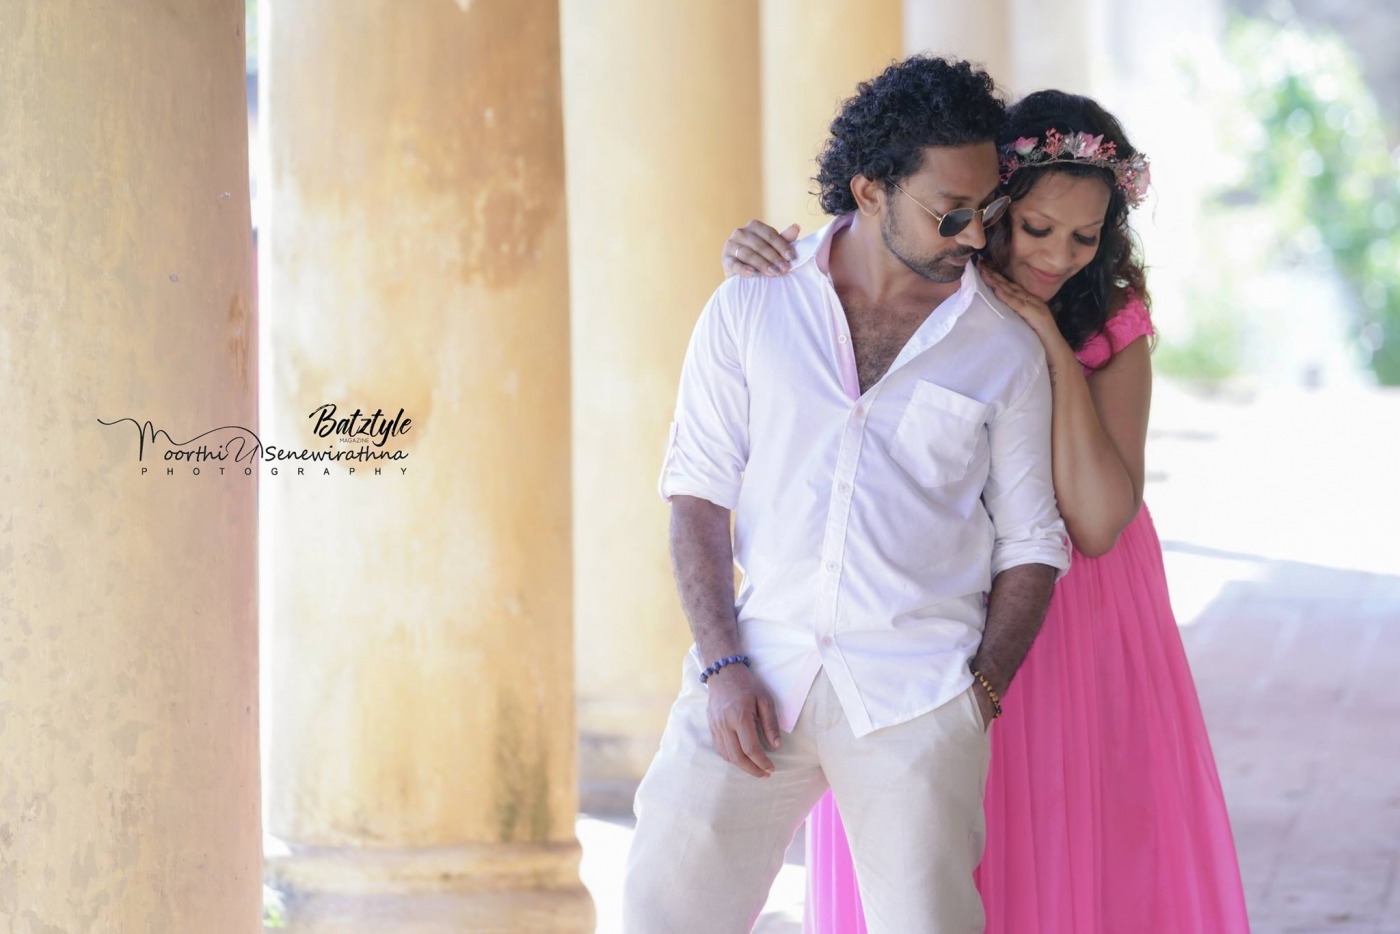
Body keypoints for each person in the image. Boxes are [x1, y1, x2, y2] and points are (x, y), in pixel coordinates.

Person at [722, 89, 1251, 934]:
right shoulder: (933, 276)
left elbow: (1098, 522)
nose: (1060, 256)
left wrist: (1049, 344)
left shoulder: (1109, 318)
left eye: (1085, 236)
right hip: (933, 602)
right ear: (993, 204)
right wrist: (753, 246)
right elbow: (844, 260)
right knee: (924, 852)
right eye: (1038, 228)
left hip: (1080, 610)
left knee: (1071, 837)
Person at [621, 55, 1073, 934]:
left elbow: (1032, 541)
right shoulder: (753, 305)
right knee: (662, 913)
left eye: (986, 209)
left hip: (917, 696)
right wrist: (722, 666)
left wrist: (977, 695)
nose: (974, 236)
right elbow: (698, 496)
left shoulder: (1004, 347)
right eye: (949, 211)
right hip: (754, 674)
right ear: (870, 191)